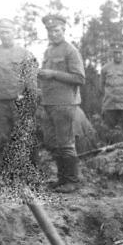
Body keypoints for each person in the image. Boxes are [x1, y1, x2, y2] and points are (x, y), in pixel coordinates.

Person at [37, 14, 86, 193]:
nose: (53, 34)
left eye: (57, 30)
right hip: (49, 103)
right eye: (50, 31)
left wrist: (53, 74)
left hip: (64, 103)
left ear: (63, 30)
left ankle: (72, 181)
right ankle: (62, 179)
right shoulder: (49, 51)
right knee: (54, 143)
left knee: (65, 143)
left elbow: (80, 78)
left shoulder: (70, 50)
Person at [0, 19, 37, 156]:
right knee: (4, 137)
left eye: (7, 32)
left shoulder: (25, 53)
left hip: (18, 101)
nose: (4, 35)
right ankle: (9, 172)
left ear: (14, 32)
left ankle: (26, 171)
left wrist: (27, 98)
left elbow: (31, 79)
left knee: (22, 136)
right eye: (1, 32)